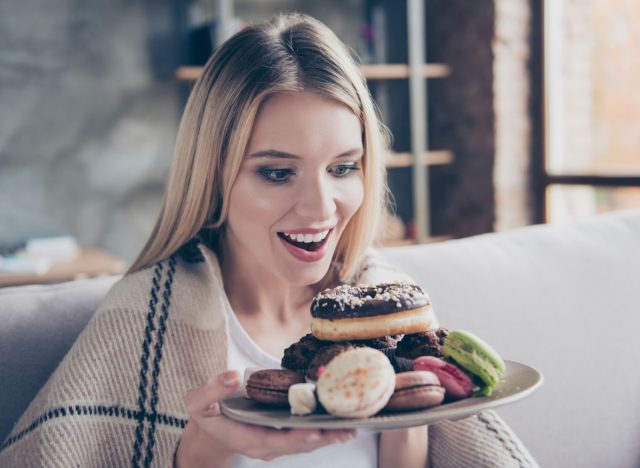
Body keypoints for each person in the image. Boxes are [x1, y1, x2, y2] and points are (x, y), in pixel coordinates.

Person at [0, 13, 537, 468]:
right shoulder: (143, 321)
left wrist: (404, 411)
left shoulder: (392, 312)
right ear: (214, 175)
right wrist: (206, 443)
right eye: (278, 173)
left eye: (344, 167)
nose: (320, 207)